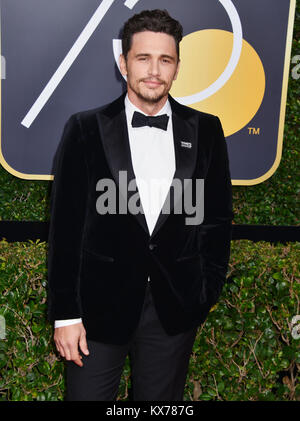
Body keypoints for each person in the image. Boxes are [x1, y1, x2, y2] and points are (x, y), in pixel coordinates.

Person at [47, 9, 234, 401]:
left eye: (165, 59)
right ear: (123, 63)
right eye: (143, 58)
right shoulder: (85, 128)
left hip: (173, 312)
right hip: (96, 312)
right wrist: (65, 314)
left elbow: (215, 220)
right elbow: (65, 229)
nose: (154, 70)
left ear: (177, 67)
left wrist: (203, 293)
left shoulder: (207, 129)